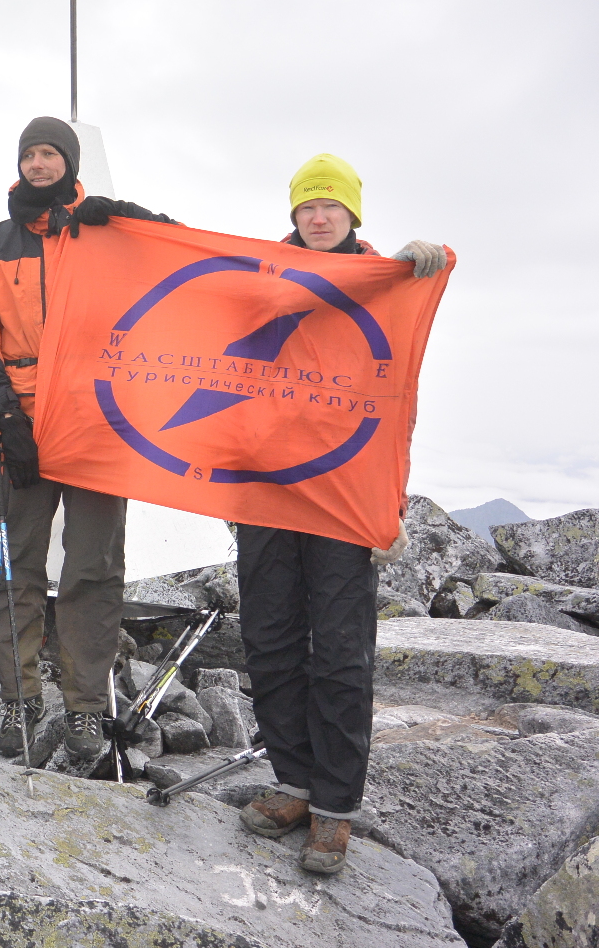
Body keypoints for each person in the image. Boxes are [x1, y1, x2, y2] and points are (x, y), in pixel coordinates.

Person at [235, 153, 444, 875]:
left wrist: (427, 259)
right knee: (267, 636)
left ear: (353, 214)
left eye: (331, 206)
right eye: (307, 207)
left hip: (344, 491)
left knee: (342, 649)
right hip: (263, 487)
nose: (318, 217)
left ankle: (334, 807)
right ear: (292, 215)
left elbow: (399, 397)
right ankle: (292, 782)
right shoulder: (263, 278)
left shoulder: (381, 281)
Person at [0, 117, 178, 761]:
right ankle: (18, 698)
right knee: (12, 565)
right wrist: (6, 415)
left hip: (100, 424)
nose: (39, 163)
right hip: (22, 424)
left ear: (70, 162)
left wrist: (126, 213)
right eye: (30, 154)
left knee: (94, 569)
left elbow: (184, 253)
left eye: (51, 153)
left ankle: (85, 705)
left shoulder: (108, 232)